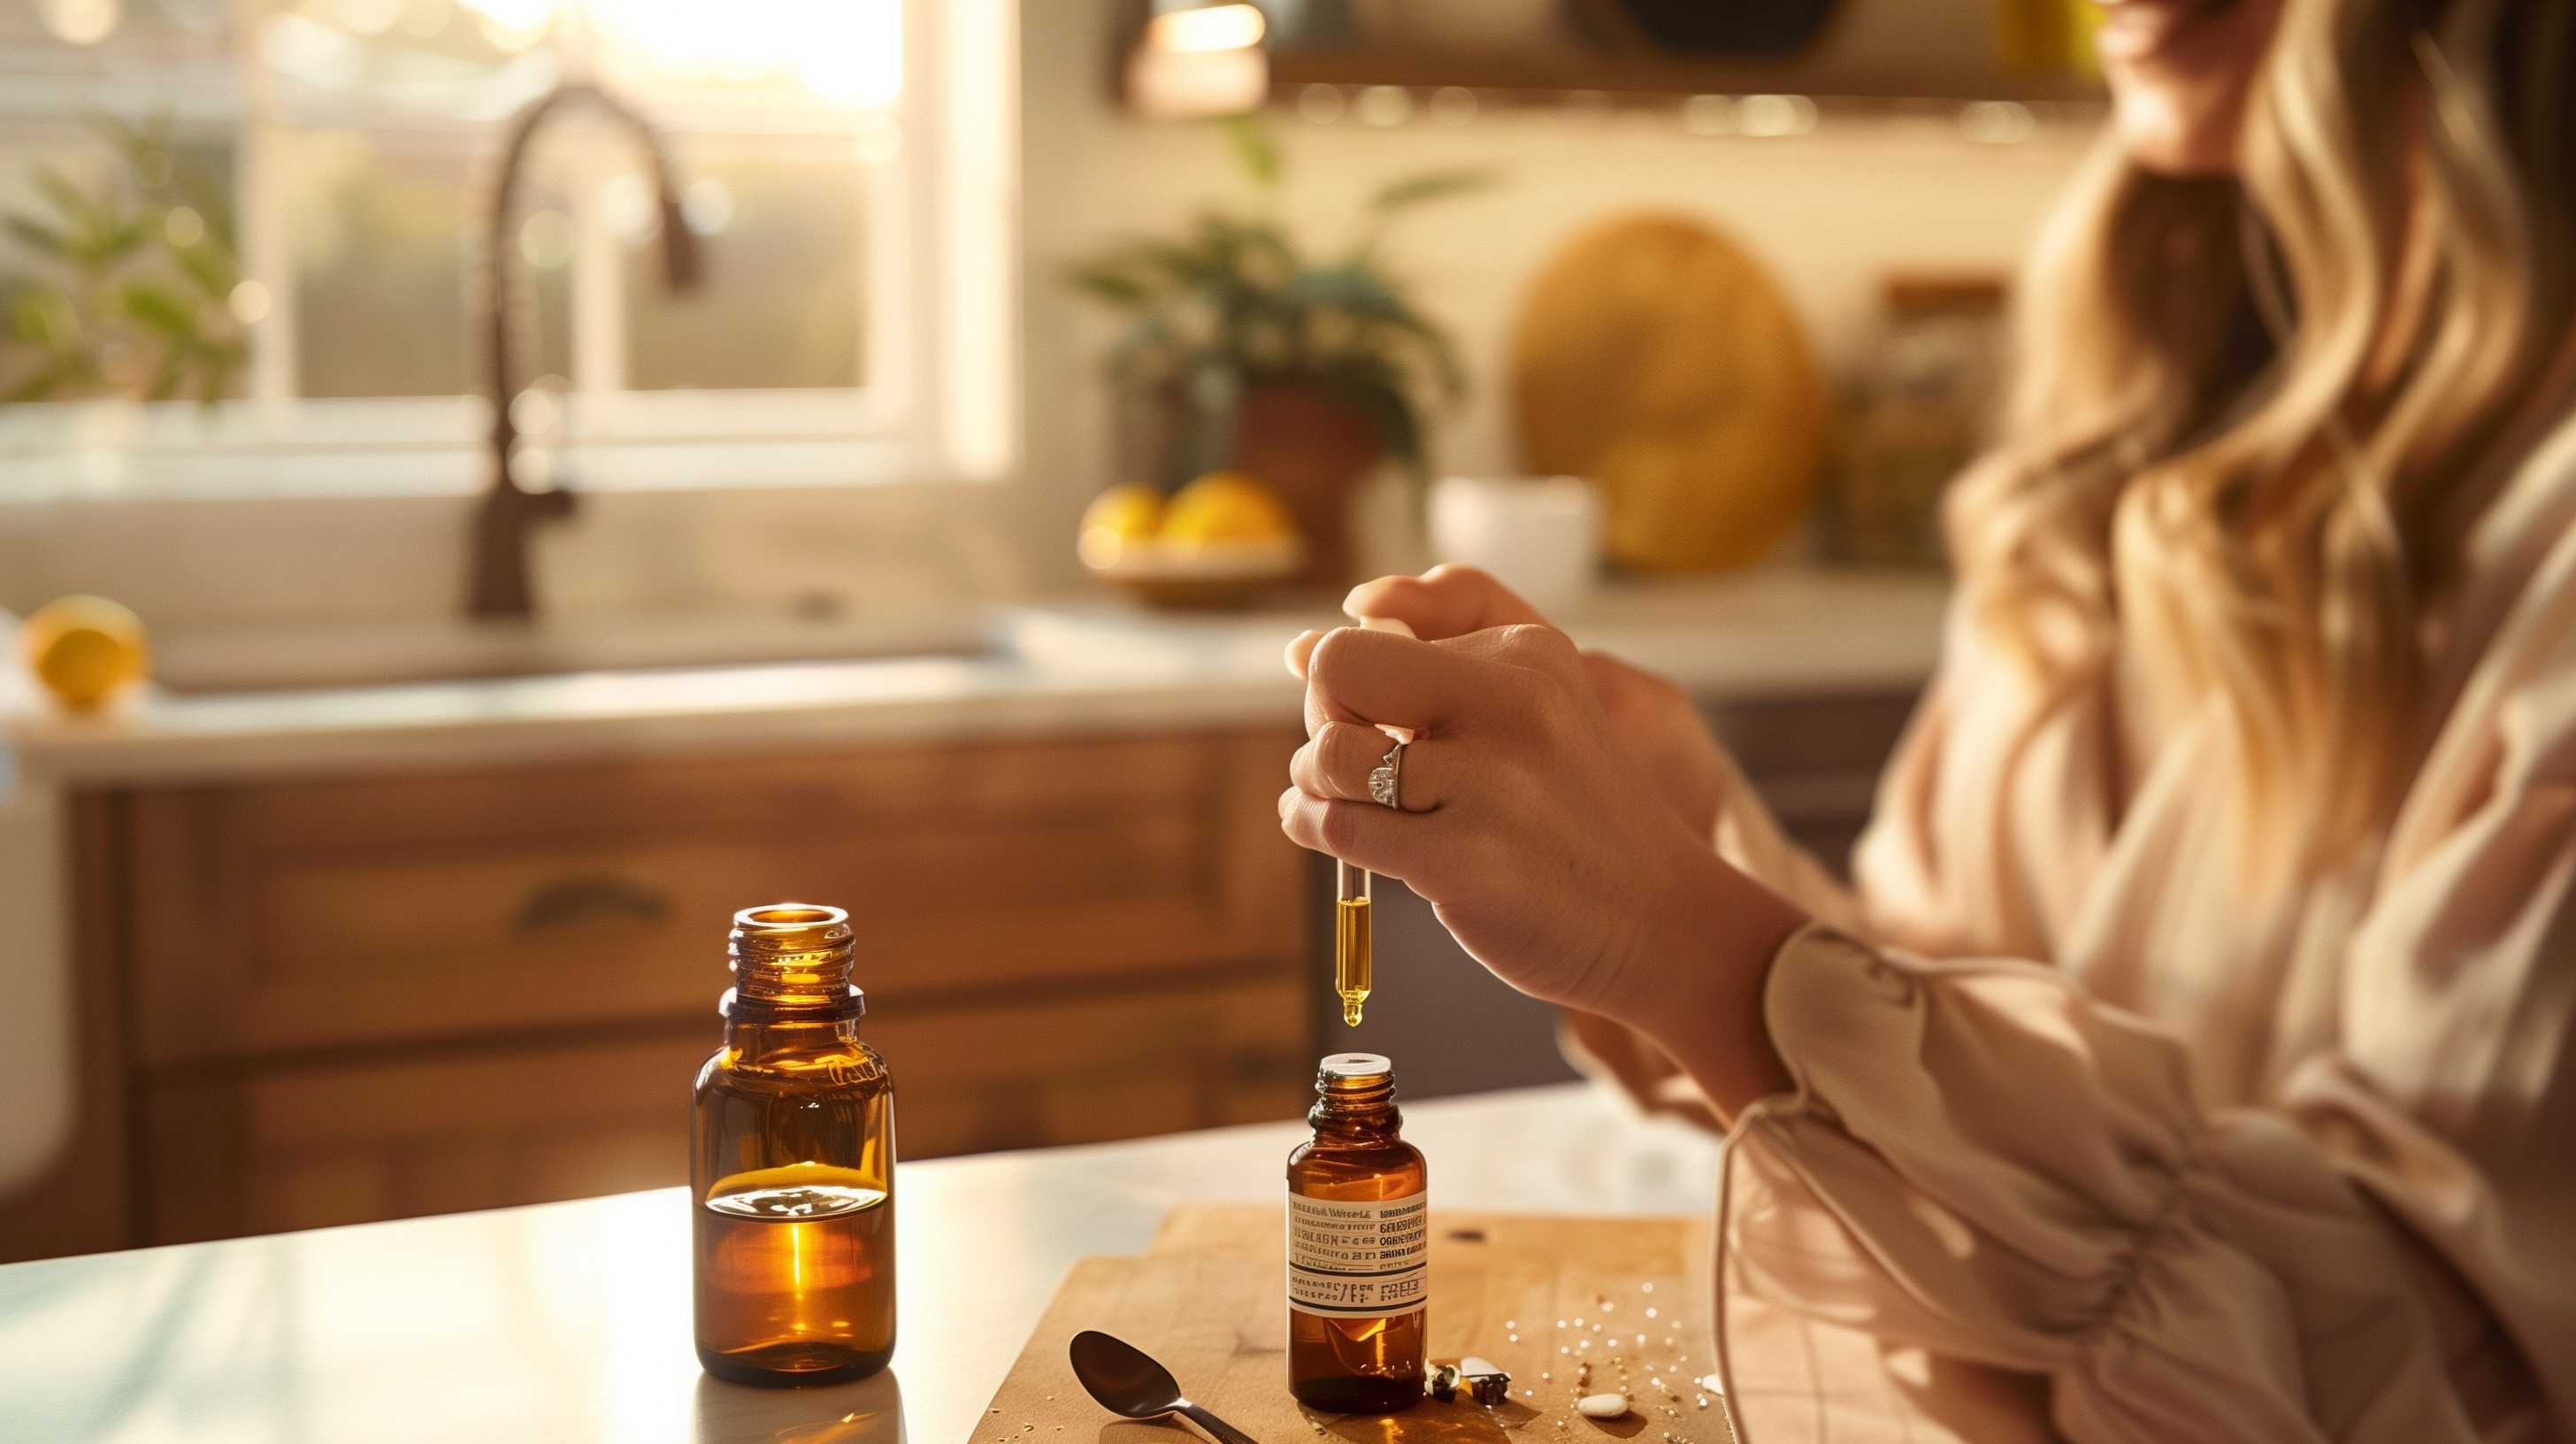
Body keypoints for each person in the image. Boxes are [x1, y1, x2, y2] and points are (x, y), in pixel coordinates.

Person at [1277, 0, 2576, 1438]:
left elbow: (2444, 1363)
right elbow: (1960, 1025)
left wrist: (1682, 934)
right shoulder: (2110, 468)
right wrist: (1689, 846)